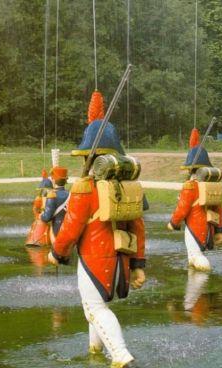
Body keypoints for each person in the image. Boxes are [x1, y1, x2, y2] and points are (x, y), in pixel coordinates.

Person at [48, 90, 146, 368]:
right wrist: (138, 264)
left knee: (94, 308)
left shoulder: (84, 188)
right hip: (122, 257)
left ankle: (120, 355)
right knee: (92, 307)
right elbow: (138, 226)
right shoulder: (129, 187)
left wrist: (57, 252)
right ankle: (94, 350)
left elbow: (71, 227)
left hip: (94, 258)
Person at [167, 128, 222, 272]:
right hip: (209, 227)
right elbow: (218, 209)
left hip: (194, 226)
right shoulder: (211, 186)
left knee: (196, 256)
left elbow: (183, 208)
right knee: (193, 258)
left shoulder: (190, 186)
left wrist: (174, 223)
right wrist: (219, 231)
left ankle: (200, 287)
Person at [41, 150, 69, 242]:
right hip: (69, 229)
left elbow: (46, 218)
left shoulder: (52, 195)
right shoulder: (70, 194)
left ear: (53, 180)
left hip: (57, 231)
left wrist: (41, 214)